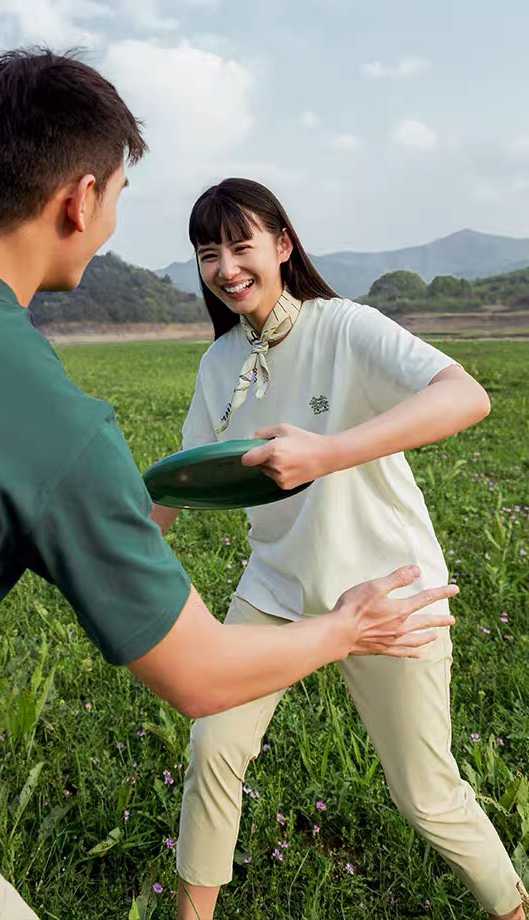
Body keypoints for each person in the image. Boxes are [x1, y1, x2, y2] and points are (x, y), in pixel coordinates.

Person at [0, 52, 457, 920]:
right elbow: (201, 672)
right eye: (121, 198)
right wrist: (350, 626)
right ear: (81, 199)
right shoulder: (54, 427)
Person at [147, 177, 528, 920]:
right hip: (275, 591)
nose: (226, 267)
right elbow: (182, 478)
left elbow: (466, 395)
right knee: (214, 748)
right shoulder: (220, 363)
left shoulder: (345, 327)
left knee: (426, 793)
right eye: (208, 253)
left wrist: (327, 452)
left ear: (283, 245)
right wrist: (110, 549)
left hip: (386, 594)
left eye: (241, 245)